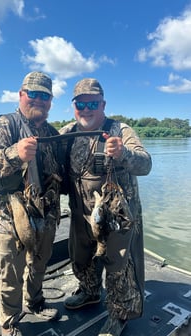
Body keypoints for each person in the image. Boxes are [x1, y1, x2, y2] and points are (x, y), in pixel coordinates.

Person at [59, 78, 152, 336]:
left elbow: (146, 165)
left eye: (92, 103)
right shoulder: (67, 133)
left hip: (116, 218)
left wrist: (123, 154)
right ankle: (89, 293)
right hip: (81, 214)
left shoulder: (120, 129)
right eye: (81, 103)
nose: (86, 109)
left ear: (103, 104)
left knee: (118, 269)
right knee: (81, 258)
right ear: (73, 106)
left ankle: (119, 316)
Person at [0, 72, 64, 336]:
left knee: (40, 261)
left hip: (46, 211)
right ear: (21, 95)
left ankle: (34, 302)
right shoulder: (2, 126)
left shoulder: (51, 132)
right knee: (11, 270)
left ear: (50, 101)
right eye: (33, 94)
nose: (39, 100)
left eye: (44, 96)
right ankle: (9, 322)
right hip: (9, 214)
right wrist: (15, 154)